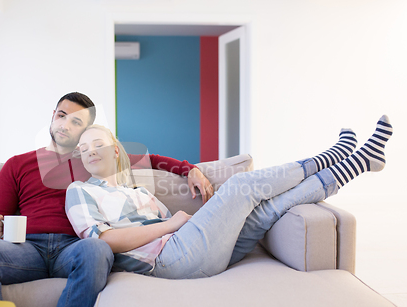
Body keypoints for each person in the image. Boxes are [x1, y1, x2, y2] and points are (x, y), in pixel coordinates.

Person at [0, 92, 214, 307]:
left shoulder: (94, 159)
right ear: (52, 117)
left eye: (76, 121)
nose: (65, 124)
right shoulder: (17, 164)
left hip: (74, 247)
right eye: (61, 115)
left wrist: (190, 169)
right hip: (27, 249)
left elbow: (152, 159)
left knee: (97, 248)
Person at [65, 116, 392, 278]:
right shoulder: (79, 191)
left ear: (115, 149)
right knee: (238, 187)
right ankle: (334, 155)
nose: (91, 151)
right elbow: (102, 241)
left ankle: (357, 164)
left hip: (194, 248)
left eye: (99, 144)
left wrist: (208, 215)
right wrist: (170, 225)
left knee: (265, 213)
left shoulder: (135, 189)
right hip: (168, 262)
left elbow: (160, 167)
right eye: (84, 148)